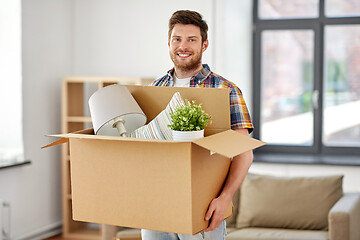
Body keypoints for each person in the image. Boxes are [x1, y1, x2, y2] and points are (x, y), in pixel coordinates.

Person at [141, 10, 254, 240]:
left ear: (204, 45)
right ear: (169, 43)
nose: (183, 46)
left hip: (203, 208)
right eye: (177, 39)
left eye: (191, 39)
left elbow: (244, 153)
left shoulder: (226, 90)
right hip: (156, 203)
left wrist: (225, 199)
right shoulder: (155, 88)